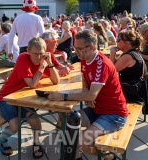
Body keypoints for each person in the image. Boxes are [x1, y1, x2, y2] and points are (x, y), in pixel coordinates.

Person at [47, 30, 127, 160]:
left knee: (77, 141)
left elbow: (92, 96)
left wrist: (64, 96)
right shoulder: (85, 58)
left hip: (114, 114)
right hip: (97, 109)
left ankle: (111, 156)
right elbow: (85, 78)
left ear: (91, 47)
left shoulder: (102, 64)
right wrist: (86, 91)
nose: (75, 51)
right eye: (75, 48)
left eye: (79, 48)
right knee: (65, 125)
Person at [0, 37, 59, 158]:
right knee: (15, 126)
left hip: (22, 98)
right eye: (35, 54)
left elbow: (56, 81)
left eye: (41, 54)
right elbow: (32, 84)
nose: (38, 57)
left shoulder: (46, 58)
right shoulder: (22, 58)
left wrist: (50, 64)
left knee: (36, 123)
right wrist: (42, 68)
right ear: (29, 50)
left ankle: (36, 143)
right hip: (5, 98)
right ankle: (1, 139)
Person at [109, 30, 148, 115]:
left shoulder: (128, 56)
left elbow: (111, 71)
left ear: (127, 43)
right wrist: (114, 55)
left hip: (133, 93)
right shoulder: (129, 53)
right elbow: (114, 64)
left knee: (103, 94)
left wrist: (112, 53)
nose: (116, 42)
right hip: (133, 88)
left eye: (118, 40)